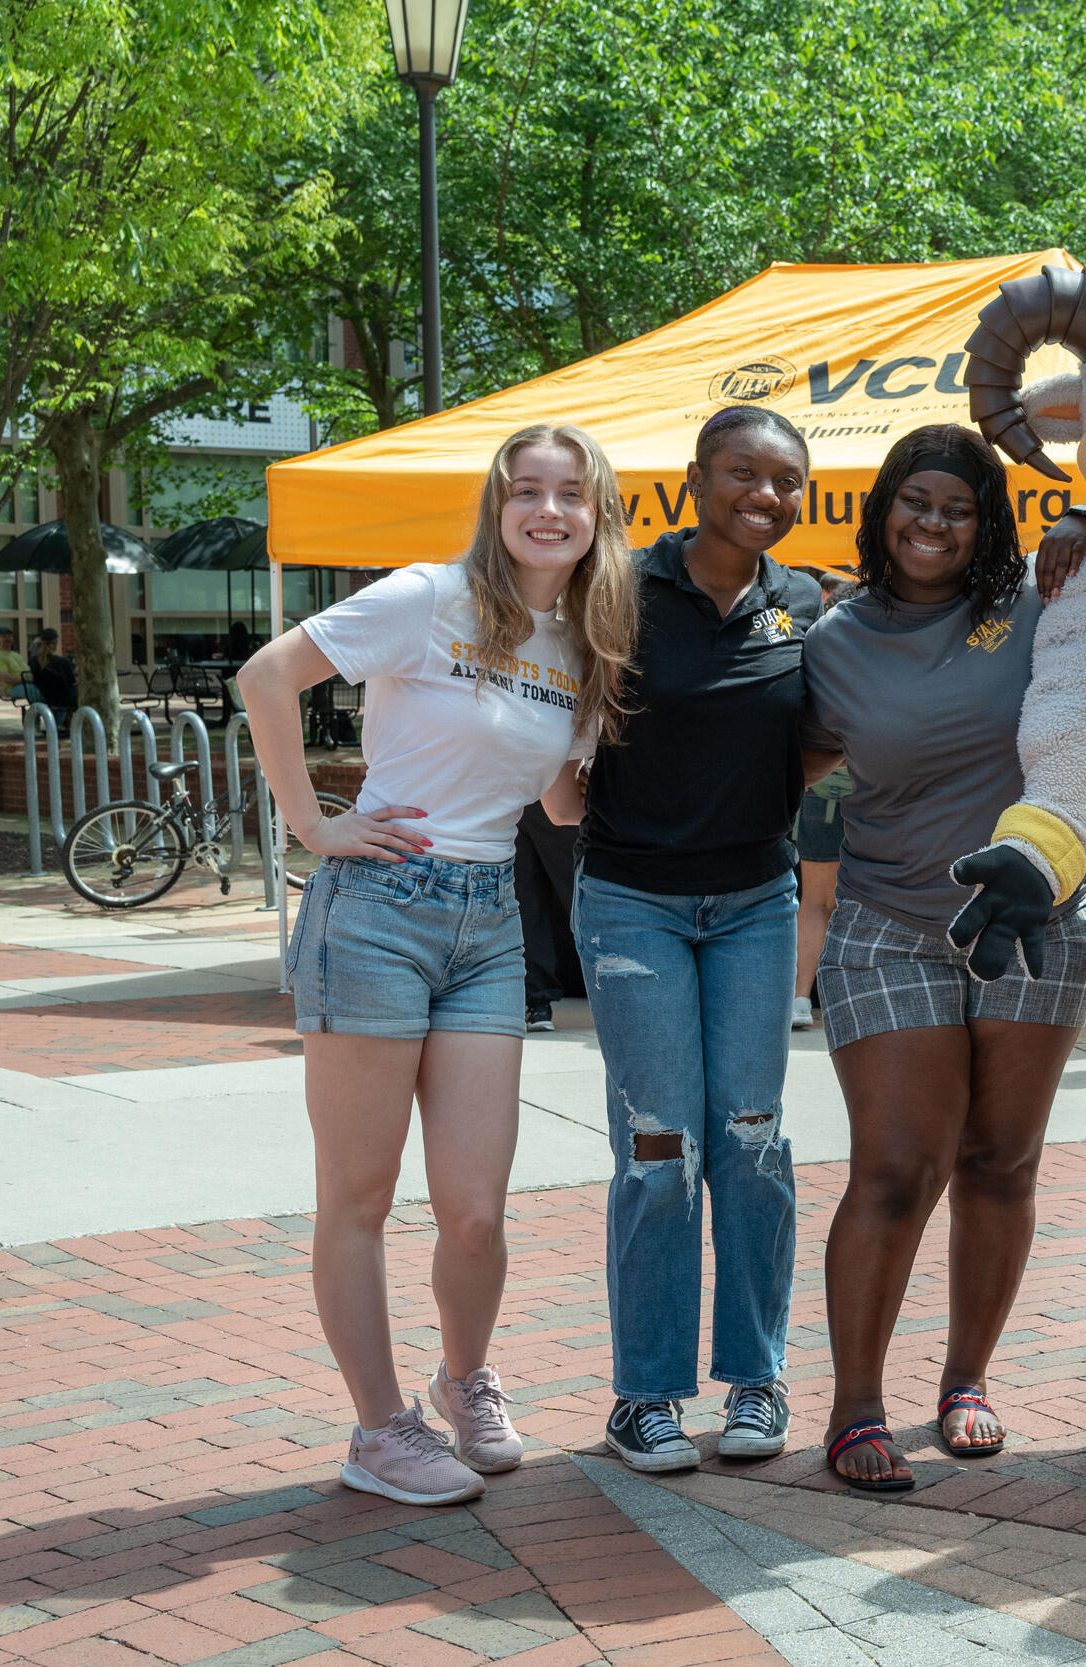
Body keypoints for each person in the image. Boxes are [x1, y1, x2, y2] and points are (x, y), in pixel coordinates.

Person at [237, 421, 638, 1506]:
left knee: (475, 1207)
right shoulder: (427, 595)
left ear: (598, 513)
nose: (547, 510)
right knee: (359, 1193)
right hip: (377, 904)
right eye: (526, 490)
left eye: (570, 493)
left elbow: (560, 801)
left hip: (488, 919)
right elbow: (267, 675)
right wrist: (311, 825)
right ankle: (378, 1430)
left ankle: (465, 1380)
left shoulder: (586, 645)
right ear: (497, 505)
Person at [798, 424, 1086, 1491]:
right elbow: (787, 761)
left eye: (958, 507)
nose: (932, 522)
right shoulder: (831, 641)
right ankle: (855, 1404)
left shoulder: (1040, 603)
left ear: (988, 523)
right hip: (889, 921)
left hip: (1036, 920)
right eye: (915, 500)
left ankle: (967, 1379)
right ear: (883, 508)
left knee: (999, 1162)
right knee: (894, 1169)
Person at [539, 404, 828, 1475]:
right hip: (634, 905)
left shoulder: (804, 601)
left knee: (751, 1138)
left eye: (786, 481)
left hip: (755, 901)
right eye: (743, 472)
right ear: (697, 480)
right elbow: (556, 736)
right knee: (660, 1149)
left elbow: (818, 732)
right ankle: (646, 1396)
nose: (766, 494)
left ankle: (757, 1375)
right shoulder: (617, 587)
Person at [792, 567, 857, 1031]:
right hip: (880, 797)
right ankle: (846, 999)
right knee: (868, 901)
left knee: (814, 900)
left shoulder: (817, 654)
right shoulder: (891, 655)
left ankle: (799, 999)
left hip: (821, 792)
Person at [515, 800, 581, 1031]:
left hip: (512, 792)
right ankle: (536, 1000)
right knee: (577, 889)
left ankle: (537, 1002)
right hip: (545, 789)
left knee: (525, 897)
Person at [0, 626, 41, 704]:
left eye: (9, 636)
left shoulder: (16, 655)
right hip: (13, 688)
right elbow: (6, 678)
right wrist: (28, 680)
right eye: (4, 636)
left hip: (28, 684)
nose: (7, 639)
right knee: (40, 691)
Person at [30, 628, 76, 712]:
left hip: (46, 697)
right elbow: (72, 681)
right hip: (65, 699)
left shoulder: (33, 662)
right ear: (55, 643)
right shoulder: (63, 662)